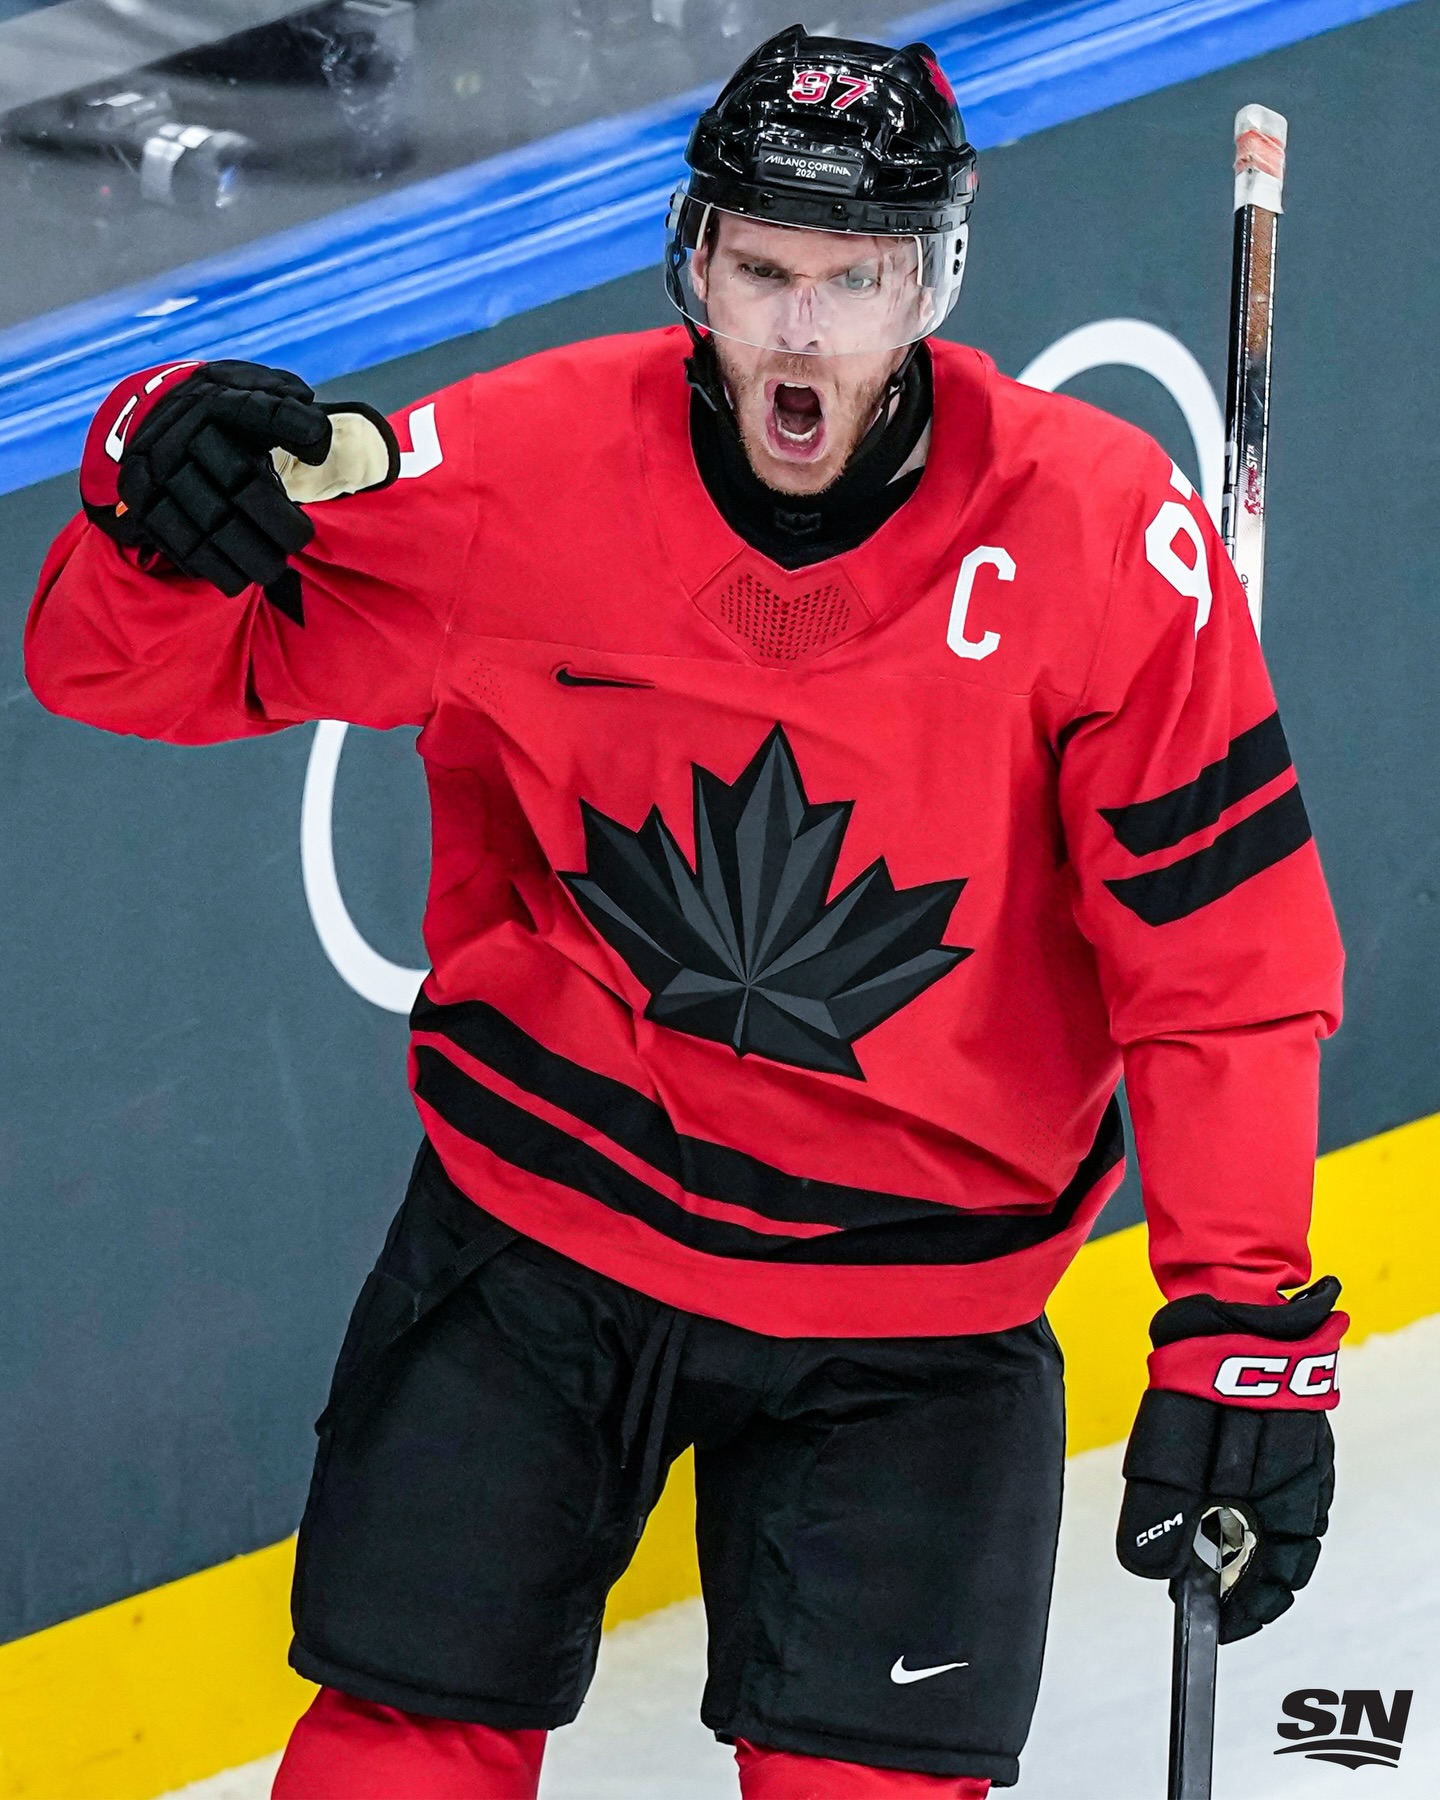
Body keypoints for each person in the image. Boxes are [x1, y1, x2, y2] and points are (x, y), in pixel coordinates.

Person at [25, 25, 1347, 1800]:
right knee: (396, 1755)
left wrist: (1239, 1315)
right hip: (542, 1237)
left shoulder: (1106, 543)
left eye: (855, 279)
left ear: (934, 282)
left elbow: (1222, 964)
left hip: (915, 1313)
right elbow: (120, 673)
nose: (803, 333)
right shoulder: (521, 467)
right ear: (694, 263)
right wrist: (145, 514)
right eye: (763, 272)